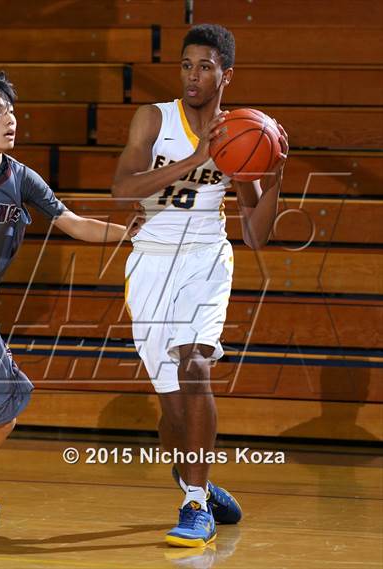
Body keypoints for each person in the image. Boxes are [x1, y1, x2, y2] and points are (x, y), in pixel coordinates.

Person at [112, 23, 288, 548]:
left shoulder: (242, 132)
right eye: (187, 65)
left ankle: (193, 504)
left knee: (195, 367)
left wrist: (276, 174)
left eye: (205, 66)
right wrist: (193, 162)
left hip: (207, 258)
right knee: (171, 407)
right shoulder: (154, 119)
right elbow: (123, 191)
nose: (193, 75)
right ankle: (198, 482)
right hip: (150, 263)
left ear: (225, 74)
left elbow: (256, 235)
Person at [0, 71, 137, 517]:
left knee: (5, 404)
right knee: (5, 393)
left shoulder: (21, 180)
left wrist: (136, 235)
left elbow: (75, 224)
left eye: (11, 111)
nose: (9, 119)